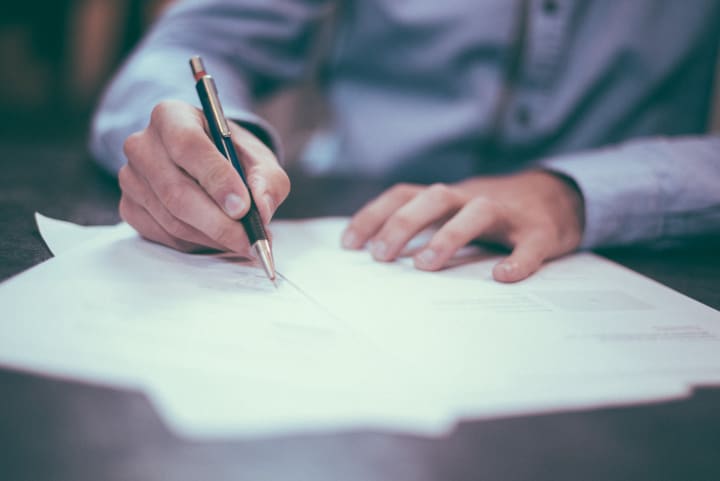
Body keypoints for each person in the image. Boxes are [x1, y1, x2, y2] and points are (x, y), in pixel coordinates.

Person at [90, 0, 720, 283]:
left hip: (639, 255)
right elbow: (189, 46)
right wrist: (211, 149)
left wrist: (575, 194)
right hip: (358, 234)